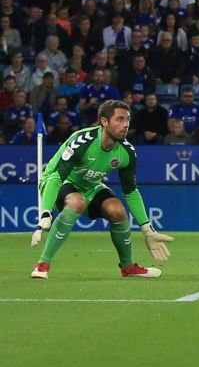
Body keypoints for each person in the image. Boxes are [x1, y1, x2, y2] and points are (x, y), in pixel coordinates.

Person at [30, 100, 173, 279]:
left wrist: (147, 230)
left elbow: (130, 191)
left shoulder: (127, 152)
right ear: (104, 122)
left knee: (117, 210)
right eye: (119, 120)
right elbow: (56, 177)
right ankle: (42, 264)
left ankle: (128, 267)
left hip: (90, 185)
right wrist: (45, 213)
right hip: (58, 181)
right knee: (77, 202)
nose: (126, 125)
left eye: (127, 120)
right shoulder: (82, 141)